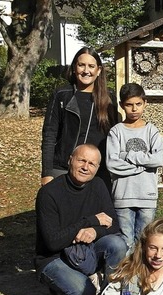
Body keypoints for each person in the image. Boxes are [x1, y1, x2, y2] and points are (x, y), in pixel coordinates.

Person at [35, 144, 127, 295]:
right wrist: (89, 222)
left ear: (98, 168)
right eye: (81, 161)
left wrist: (94, 231)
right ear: (70, 160)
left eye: (91, 164)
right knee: (83, 293)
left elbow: (114, 224)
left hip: (85, 250)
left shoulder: (98, 185)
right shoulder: (49, 193)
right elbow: (52, 242)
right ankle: (58, 290)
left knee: (118, 244)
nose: (85, 167)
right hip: (55, 257)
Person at [41, 47, 119, 189]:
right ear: (75, 68)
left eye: (91, 66)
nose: (86, 71)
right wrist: (47, 173)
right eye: (81, 65)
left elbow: (114, 136)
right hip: (63, 167)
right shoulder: (62, 95)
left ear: (99, 70)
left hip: (97, 171)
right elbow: (49, 135)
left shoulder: (109, 97)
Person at [106, 83, 163, 253]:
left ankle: (141, 277)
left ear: (145, 103)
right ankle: (126, 276)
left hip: (147, 195)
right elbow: (112, 164)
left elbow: (158, 159)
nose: (134, 109)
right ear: (122, 105)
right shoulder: (116, 132)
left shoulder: (151, 131)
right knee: (125, 242)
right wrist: (142, 167)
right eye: (129, 105)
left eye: (138, 104)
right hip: (123, 195)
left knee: (144, 241)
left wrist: (129, 155)